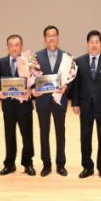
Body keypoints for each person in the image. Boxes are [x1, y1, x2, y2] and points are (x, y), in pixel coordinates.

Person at [71, 30, 101, 179]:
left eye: (97, 42)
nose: (94, 45)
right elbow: (75, 84)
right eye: (91, 42)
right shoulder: (79, 61)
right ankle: (87, 167)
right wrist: (75, 103)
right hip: (85, 106)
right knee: (85, 137)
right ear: (87, 44)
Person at [32, 25, 69, 177]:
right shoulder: (36, 57)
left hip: (59, 101)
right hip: (43, 101)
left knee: (60, 132)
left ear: (58, 37)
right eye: (49, 35)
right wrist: (33, 89)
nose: (51, 38)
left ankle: (61, 164)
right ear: (44, 38)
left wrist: (66, 86)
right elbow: (31, 78)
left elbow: (71, 79)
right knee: (44, 133)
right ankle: (46, 165)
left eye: (54, 35)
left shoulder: (67, 57)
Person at [0, 35, 36, 176]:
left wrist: (30, 89)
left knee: (27, 136)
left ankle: (28, 163)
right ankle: (9, 164)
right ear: (7, 47)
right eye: (11, 45)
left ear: (21, 46)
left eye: (17, 45)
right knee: (9, 136)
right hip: (8, 105)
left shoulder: (28, 61)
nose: (14, 48)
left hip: (24, 105)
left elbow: (34, 80)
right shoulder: (1, 62)